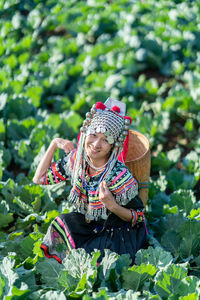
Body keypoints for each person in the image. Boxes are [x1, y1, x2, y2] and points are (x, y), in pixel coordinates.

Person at [33, 98, 147, 264]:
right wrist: (54, 143)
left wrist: (112, 205)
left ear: (113, 146)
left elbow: (138, 217)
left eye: (105, 139)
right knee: (61, 223)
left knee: (98, 261)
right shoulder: (76, 161)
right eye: (93, 135)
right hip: (90, 224)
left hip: (117, 232)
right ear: (85, 132)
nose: (95, 144)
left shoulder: (118, 176)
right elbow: (39, 178)